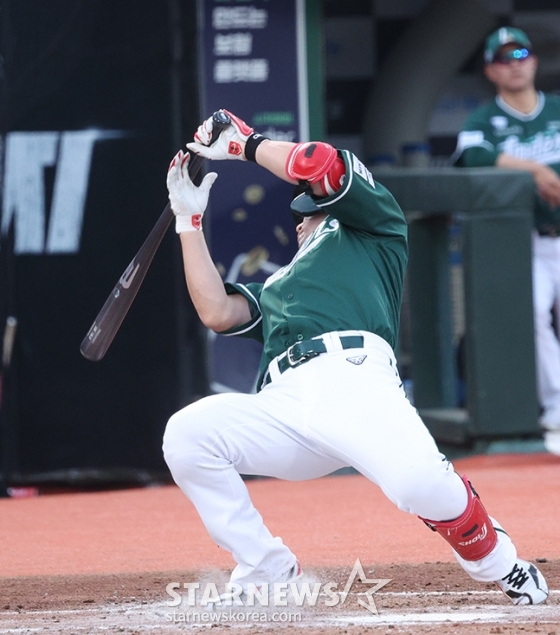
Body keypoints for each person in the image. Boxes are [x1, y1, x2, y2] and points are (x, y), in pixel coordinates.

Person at [162, 109, 548, 608]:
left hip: (355, 379)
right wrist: (187, 221)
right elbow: (216, 310)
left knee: (419, 484)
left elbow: (320, 164)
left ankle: (501, 563)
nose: (305, 219)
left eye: (312, 208)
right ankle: (267, 567)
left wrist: (244, 144)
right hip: (285, 405)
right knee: (189, 434)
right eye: (300, 215)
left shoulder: (373, 229)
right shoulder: (278, 286)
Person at [453, 26, 560, 457]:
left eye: (521, 55)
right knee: (531, 311)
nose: (514, 65)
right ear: (491, 72)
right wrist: (533, 170)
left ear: (533, 61)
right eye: (504, 59)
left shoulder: (555, 109)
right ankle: (556, 406)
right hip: (524, 243)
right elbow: (469, 156)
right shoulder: (484, 119)